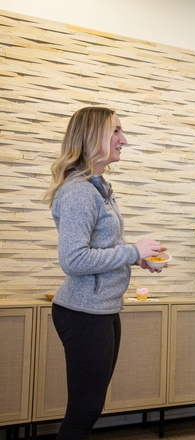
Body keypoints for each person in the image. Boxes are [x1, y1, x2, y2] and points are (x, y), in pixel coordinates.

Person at [44, 106, 166, 439]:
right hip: (83, 311)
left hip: (103, 308)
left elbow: (100, 247)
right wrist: (132, 251)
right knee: (84, 411)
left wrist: (136, 259)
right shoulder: (78, 192)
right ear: (92, 136)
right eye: (116, 131)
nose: (123, 140)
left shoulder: (98, 186)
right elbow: (73, 260)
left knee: (90, 407)